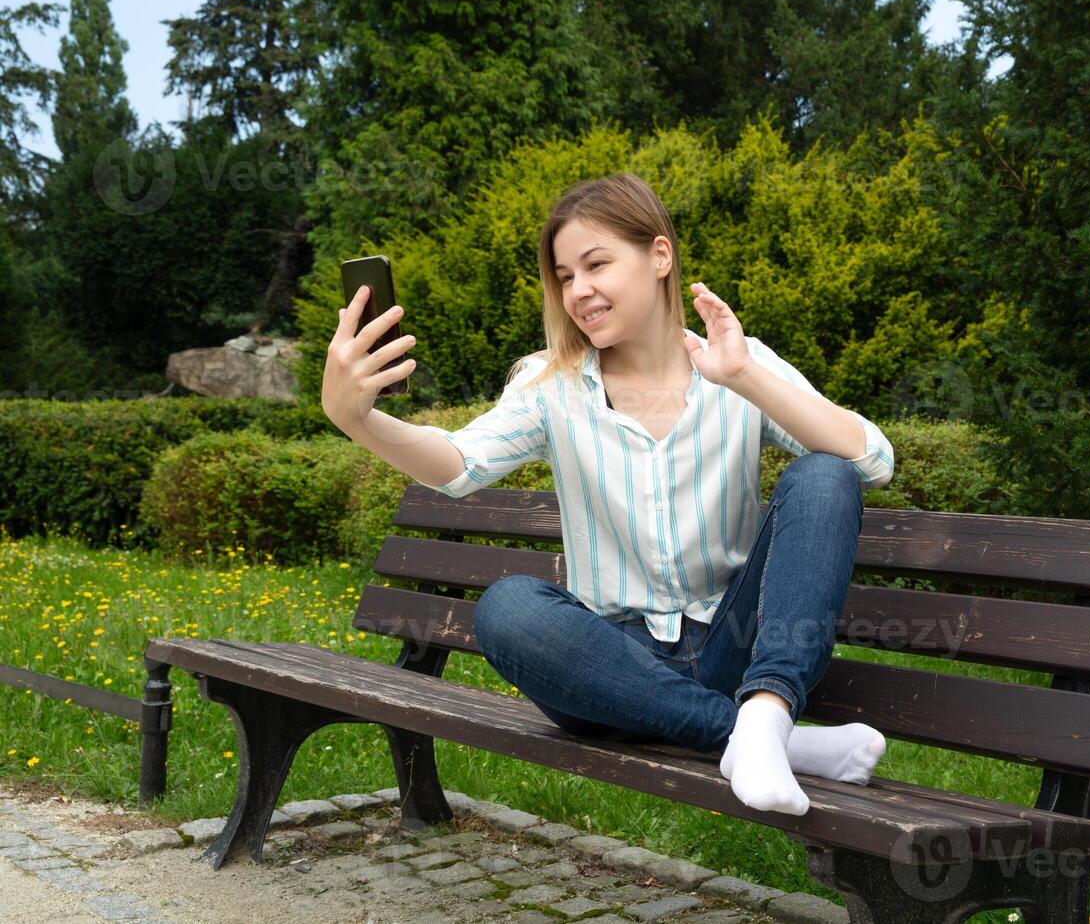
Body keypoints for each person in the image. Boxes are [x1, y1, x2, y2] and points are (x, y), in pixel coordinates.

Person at [321, 172, 894, 816]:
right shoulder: (551, 383)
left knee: (825, 474)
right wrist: (358, 419)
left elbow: (870, 459)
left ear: (659, 256)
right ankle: (756, 739)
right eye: (565, 276)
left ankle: (766, 714)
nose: (579, 291)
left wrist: (745, 379)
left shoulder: (740, 362)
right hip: (608, 672)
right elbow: (456, 465)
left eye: (596, 265)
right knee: (509, 608)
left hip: (735, 645)